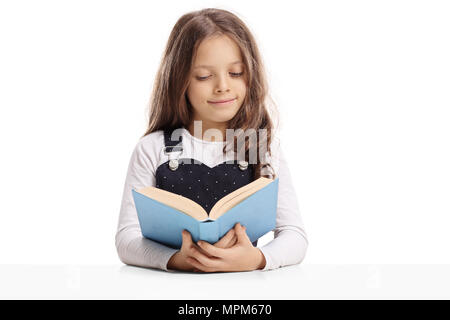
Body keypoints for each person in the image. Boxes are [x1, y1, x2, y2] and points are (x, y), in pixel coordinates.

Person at [115, 8, 308, 272]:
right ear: (179, 80)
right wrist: (175, 259)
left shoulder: (260, 145)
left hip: (245, 291)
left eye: (236, 73)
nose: (223, 86)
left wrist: (257, 259)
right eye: (204, 76)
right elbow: (127, 239)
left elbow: (294, 235)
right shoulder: (153, 148)